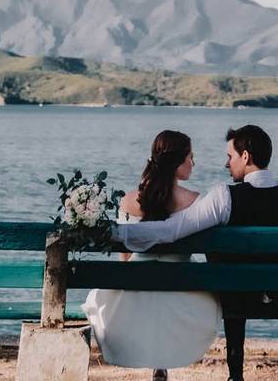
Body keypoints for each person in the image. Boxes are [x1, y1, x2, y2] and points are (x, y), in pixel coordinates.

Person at [114, 124, 278, 381]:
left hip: (237, 297)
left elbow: (170, 230)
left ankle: (235, 374)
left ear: (245, 157)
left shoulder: (225, 196)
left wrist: (117, 235)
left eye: (230, 157)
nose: (227, 164)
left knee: (232, 273)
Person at [82, 130, 221, 380]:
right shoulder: (194, 201)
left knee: (135, 293)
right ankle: (162, 361)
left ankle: (155, 359)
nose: (193, 163)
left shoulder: (127, 201)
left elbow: (123, 257)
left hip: (136, 287)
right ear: (177, 162)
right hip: (182, 289)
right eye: (190, 156)